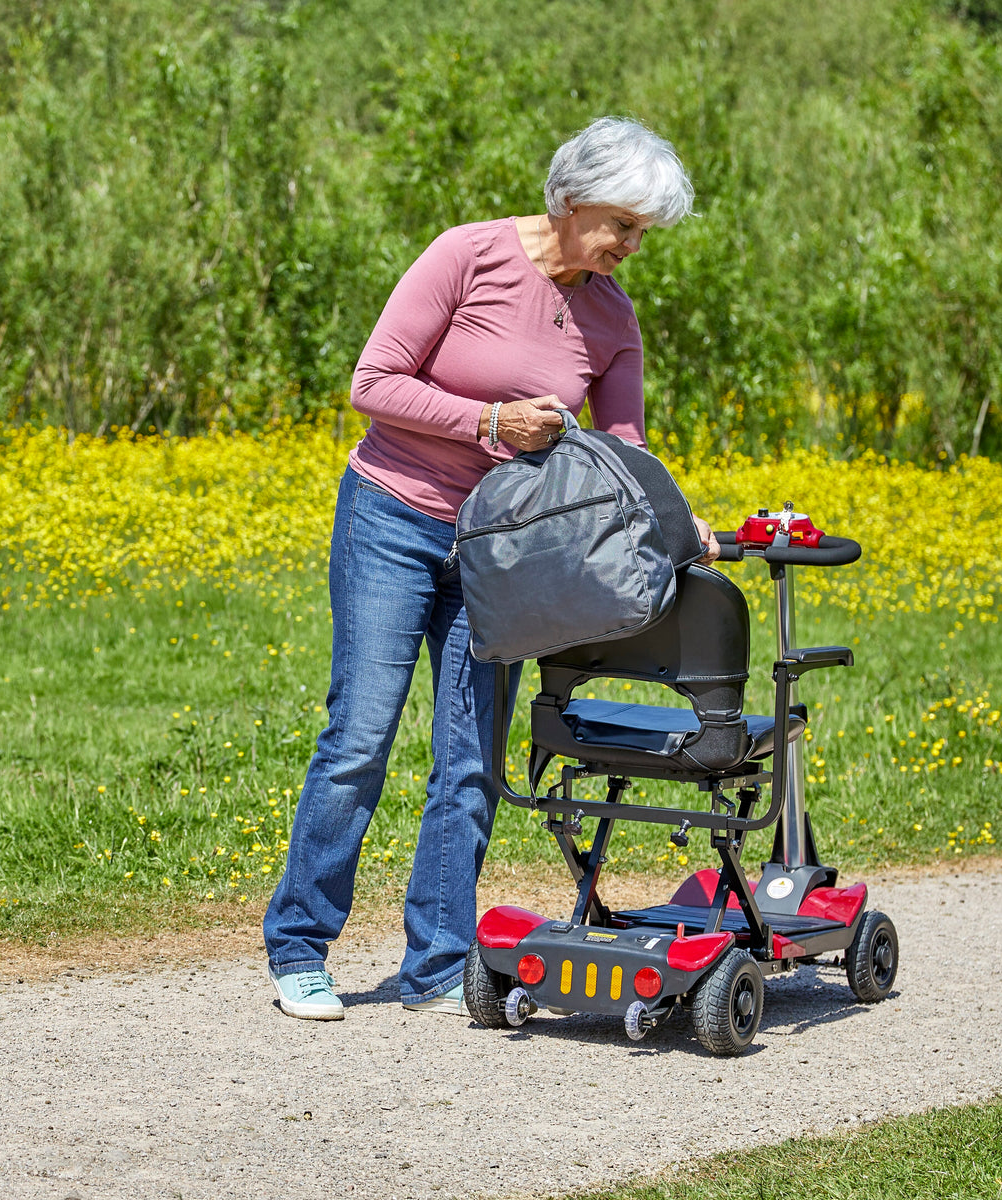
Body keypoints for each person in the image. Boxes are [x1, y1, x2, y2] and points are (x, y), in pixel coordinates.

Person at [263, 115, 719, 1019]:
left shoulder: (611, 315)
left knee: (470, 759)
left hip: (505, 559)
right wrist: (488, 424)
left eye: (642, 233)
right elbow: (373, 383)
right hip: (394, 516)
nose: (632, 246)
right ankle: (300, 945)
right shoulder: (468, 255)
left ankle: (436, 961)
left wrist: (677, 515)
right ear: (575, 196)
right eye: (624, 225)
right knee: (359, 738)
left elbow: (622, 447)